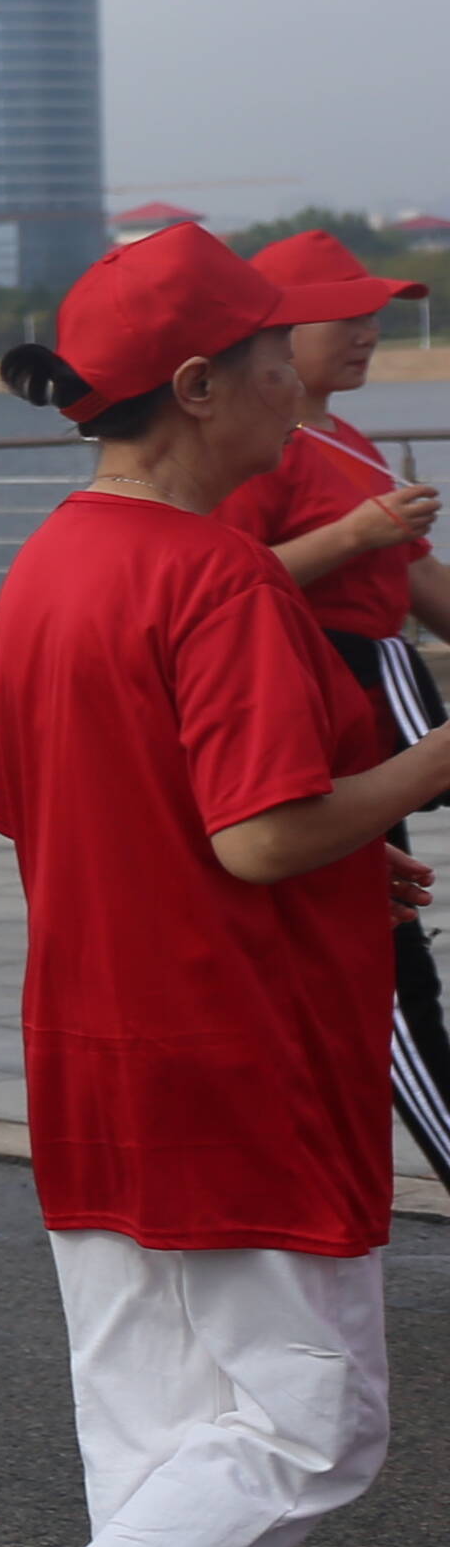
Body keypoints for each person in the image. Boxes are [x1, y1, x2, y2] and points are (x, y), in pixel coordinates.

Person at [0, 225, 450, 1547]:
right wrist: (417, 777)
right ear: (202, 385)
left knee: (152, 1426)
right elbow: (261, 843)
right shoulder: (206, 572)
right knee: (307, 1425)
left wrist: (347, 839)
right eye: (275, 351)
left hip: (95, 1038)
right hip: (234, 1044)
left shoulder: (53, 560)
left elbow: (86, 804)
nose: (303, 374)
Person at [212, 230, 450, 1157]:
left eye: (375, 316)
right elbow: (219, 583)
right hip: (331, 697)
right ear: (277, 333)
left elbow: (420, 582)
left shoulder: (344, 437)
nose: (368, 333)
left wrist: (372, 534)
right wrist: (355, 535)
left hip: (384, 682)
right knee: (379, 946)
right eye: (345, 317)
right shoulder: (258, 451)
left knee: (371, 925)